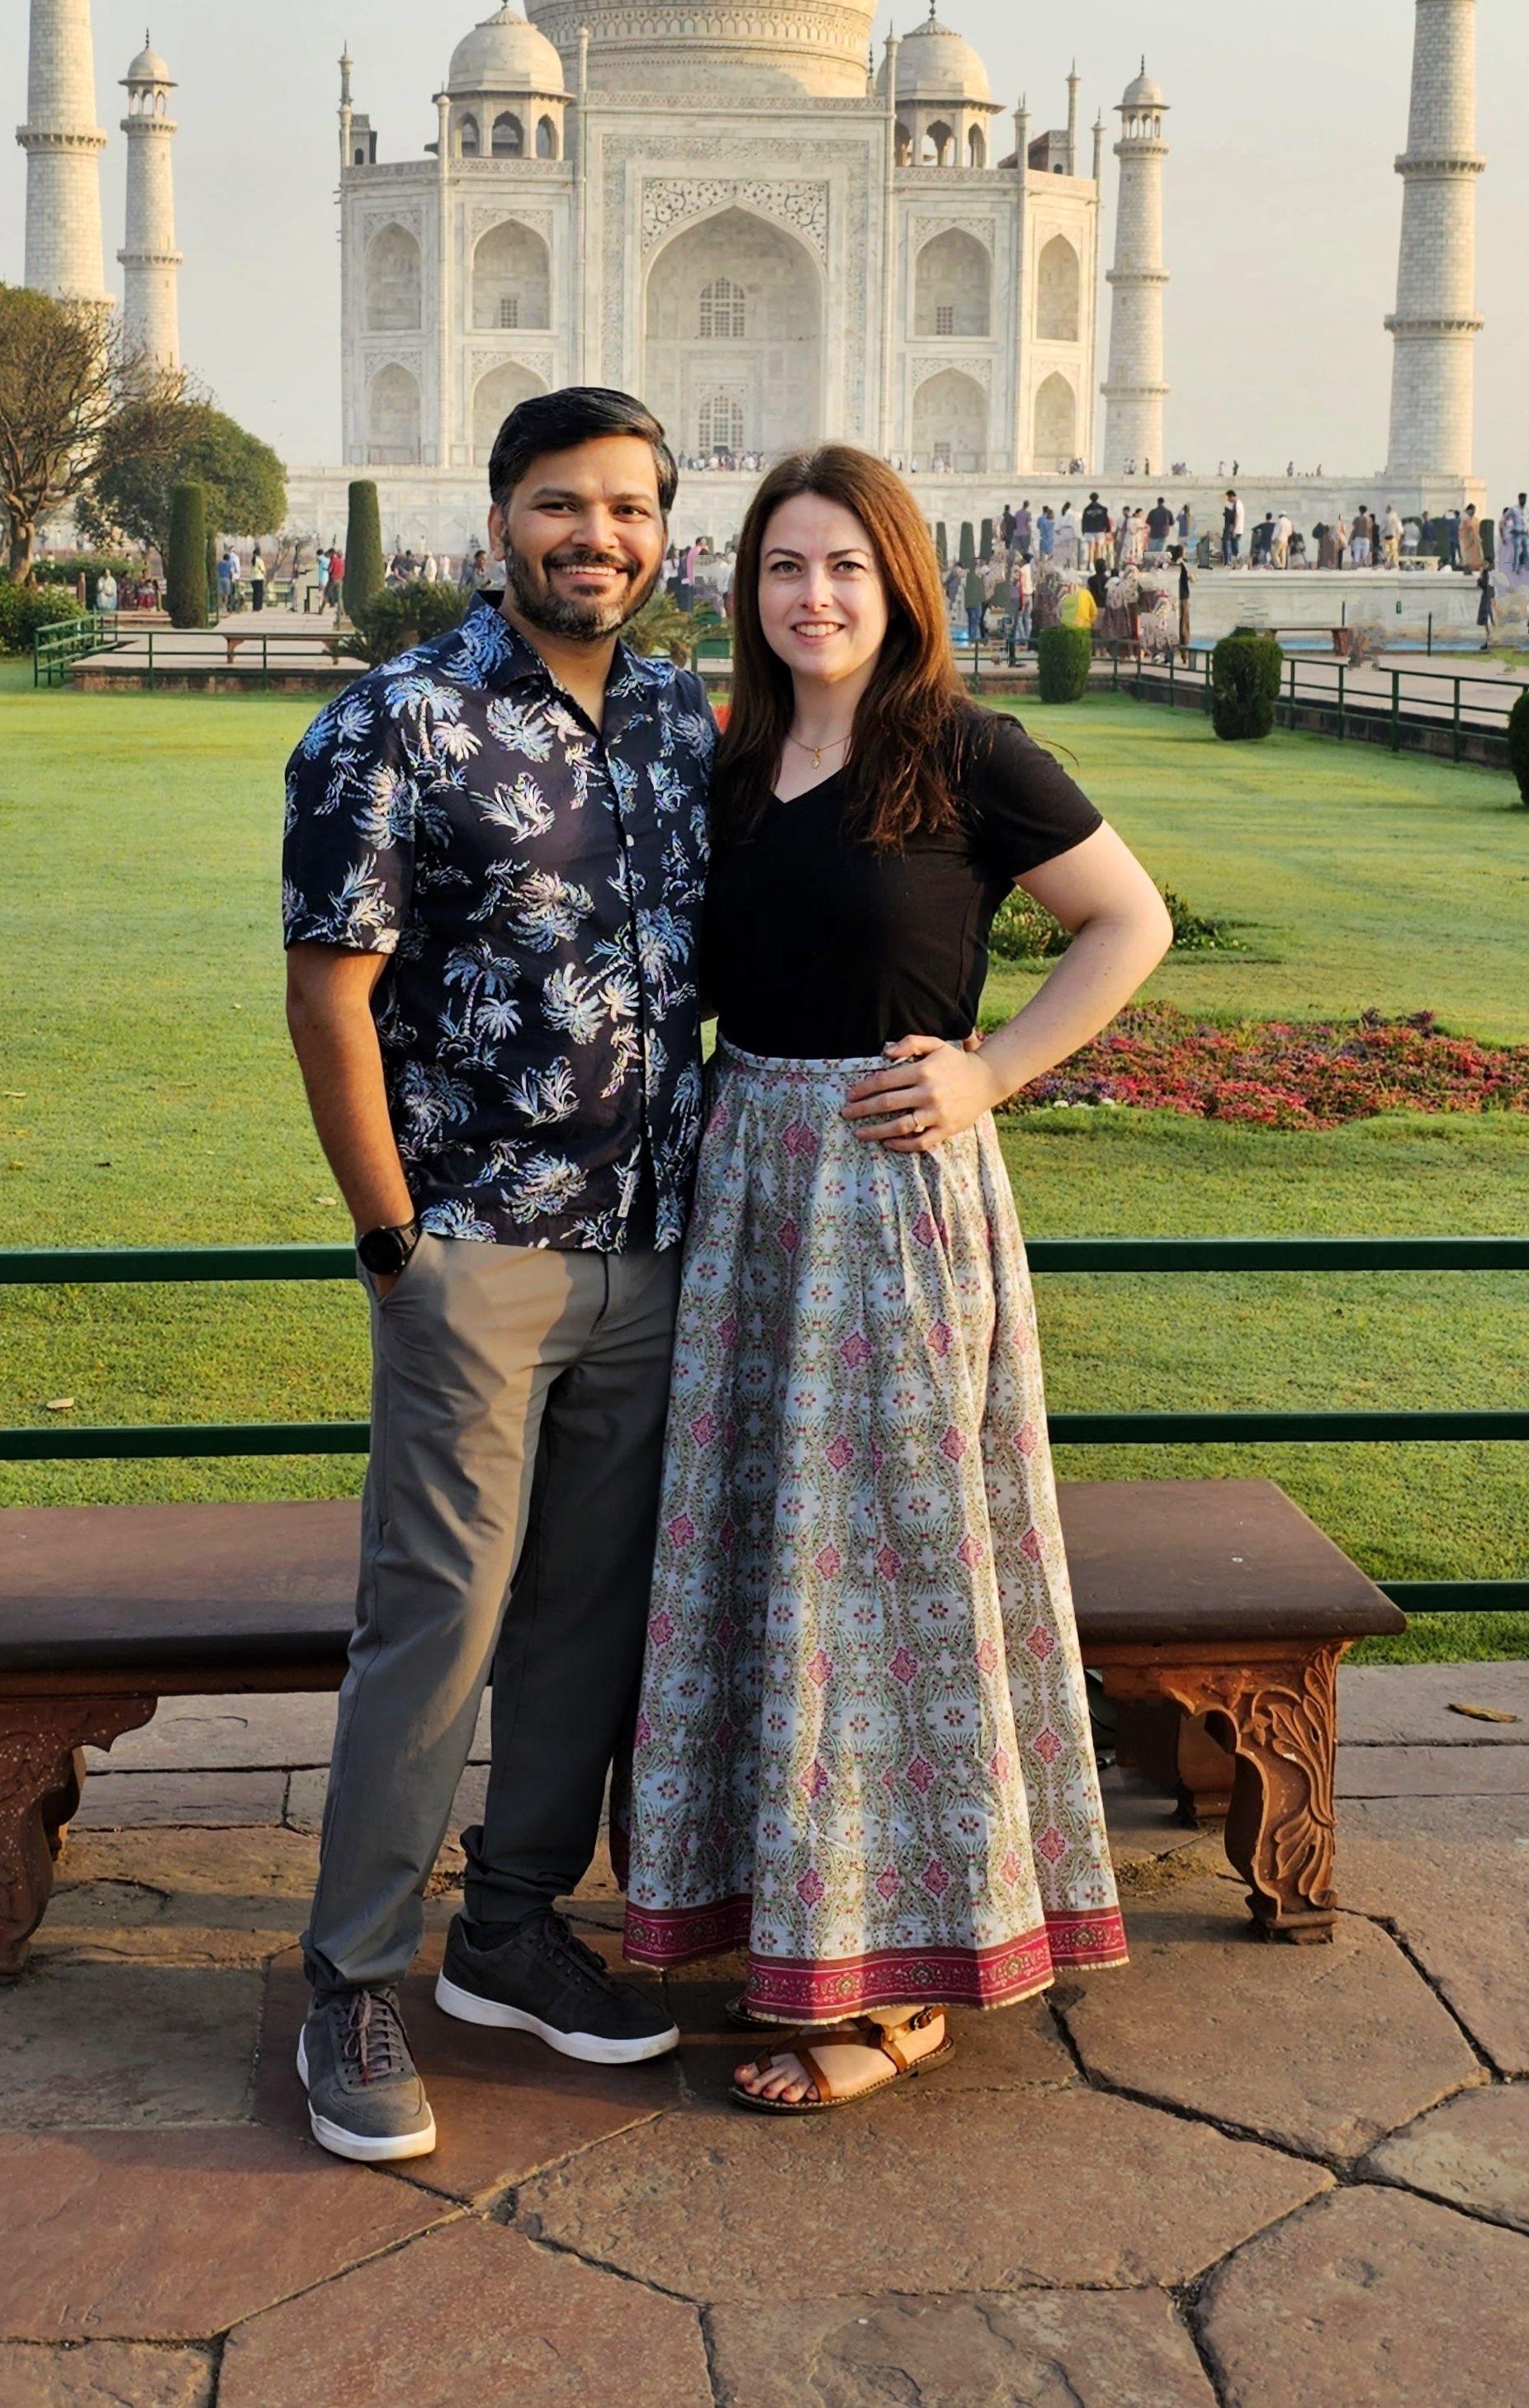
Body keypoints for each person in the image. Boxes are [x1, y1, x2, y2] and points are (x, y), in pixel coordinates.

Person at [622, 444, 1170, 2107]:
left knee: (891, 1566)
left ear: (901, 582)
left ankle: (906, 1978)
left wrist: (993, 1069)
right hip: (749, 1201)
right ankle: (789, 1922)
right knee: (761, 1565)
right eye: (786, 567)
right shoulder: (730, 772)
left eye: (847, 567)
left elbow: (1124, 921)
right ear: (751, 589)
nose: (815, 596)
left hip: (889, 1194)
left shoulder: (967, 755)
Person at [275, 385, 714, 2165]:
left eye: (623, 508)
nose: (591, 535)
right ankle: (353, 1978)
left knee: (587, 1617)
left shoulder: (687, 722)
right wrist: (397, 1245)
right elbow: (330, 997)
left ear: (661, 534)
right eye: (560, 504)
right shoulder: (395, 723)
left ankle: (513, 1925)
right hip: (474, 1248)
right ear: (499, 519)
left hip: (652, 1247)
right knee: (438, 1619)